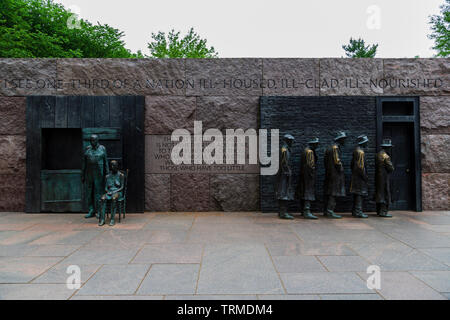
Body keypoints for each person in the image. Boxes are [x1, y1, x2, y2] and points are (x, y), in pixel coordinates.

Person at [82, 134, 109, 219]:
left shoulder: (102, 148)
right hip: (89, 173)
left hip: (99, 173)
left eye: (94, 140)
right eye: (91, 140)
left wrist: (107, 174)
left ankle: (99, 211)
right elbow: (84, 163)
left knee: (98, 192)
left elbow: (106, 162)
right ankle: (91, 210)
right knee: (89, 192)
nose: (92, 142)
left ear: (97, 140)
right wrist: (83, 174)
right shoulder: (87, 149)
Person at [323, 131, 347, 219]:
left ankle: (326, 211)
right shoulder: (335, 148)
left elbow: (325, 161)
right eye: (344, 139)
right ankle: (330, 211)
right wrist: (341, 170)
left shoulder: (329, 147)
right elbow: (337, 162)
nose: (345, 141)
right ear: (340, 139)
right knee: (333, 193)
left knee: (329, 192)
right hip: (335, 174)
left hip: (329, 173)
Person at [297, 137, 320, 219]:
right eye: (316, 144)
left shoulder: (305, 150)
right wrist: (312, 174)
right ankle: (307, 211)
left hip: (304, 175)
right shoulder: (309, 152)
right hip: (308, 176)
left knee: (304, 191)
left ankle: (303, 210)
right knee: (308, 192)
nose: (317, 146)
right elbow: (311, 165)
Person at [99, 160, 124, 226]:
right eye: (112, 165)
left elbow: (122, 187)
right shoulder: (107, 176)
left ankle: (112, 219)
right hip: (109, 192)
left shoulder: (121, 175)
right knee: (103, 198)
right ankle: (102, 219)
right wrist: (108, 192)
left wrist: (114, 191)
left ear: (117, 166)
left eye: (114, 165)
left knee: (113, 198)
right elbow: (106, 188)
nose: (113, 167)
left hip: (118, 192)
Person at [276, 134, 295, 220]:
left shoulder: (286, 149)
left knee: (284, 192)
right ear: (287, 141)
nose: (292, 142)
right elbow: (284, 163)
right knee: (284, 192)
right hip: (284, 174)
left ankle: (282, 212)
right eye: (291, 141)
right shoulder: (284, 149)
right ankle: (283, 213)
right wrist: (287, 172)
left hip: (284, 173)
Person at [350, 135, 369, 218]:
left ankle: (355, 211)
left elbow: (352, 164)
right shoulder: (361, 152)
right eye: (366, 142)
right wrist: (364, 176)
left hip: (355, 175)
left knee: (357, 193)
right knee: (359, 193)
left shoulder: (355, 150)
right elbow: (361, 166)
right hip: (359, 176)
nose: (367, 143)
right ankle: (358, 211)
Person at [376, 138, 395, 218]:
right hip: (384, 177)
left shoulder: (378, 154)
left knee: (379, 193)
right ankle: (383, 212)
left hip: (378, 177)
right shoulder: (386, 156)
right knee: (385, 193)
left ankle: (378, 210)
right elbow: (391, 168)